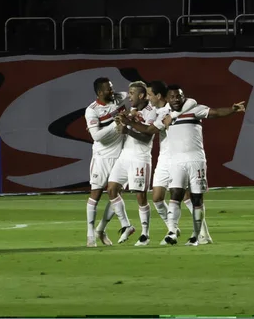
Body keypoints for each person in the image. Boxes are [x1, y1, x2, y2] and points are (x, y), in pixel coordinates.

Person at [118, 80, 213, 246]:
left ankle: (201, 233)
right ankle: (173, 230)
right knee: (157, 198)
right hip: (163, 158)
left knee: (185, 196)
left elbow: (150, 130)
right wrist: (132, 114)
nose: (148, 98)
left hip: (175, 157)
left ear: (158, 96)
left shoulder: (171, 110)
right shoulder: (158, 110)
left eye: (149, 94)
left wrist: (130, 123)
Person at [161, 84, 246, 246]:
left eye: (179, 96)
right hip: (176, 161)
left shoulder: (195, 109)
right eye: (172, 97)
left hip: (196, 160)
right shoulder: (165, 115)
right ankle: (172, 232)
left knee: (197, 198)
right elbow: (152, 128)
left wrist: (232, 109)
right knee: (175, 195)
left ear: (183, 96)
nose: (176, 99)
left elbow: (215, 113)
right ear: (166, 99)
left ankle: (196, 235)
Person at [95, 81, 158, 246]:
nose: (129, 97)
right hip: (125, 155)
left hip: (140, 157)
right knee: (112, 189)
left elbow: (147, 137)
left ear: (141, 95)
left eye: (131, 93)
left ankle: (145, 234)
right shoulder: (133, 111)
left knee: (140, 196)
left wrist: (128, 128)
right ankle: (126, 225)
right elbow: (125, 127)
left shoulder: (152, 112)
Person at [84, 77, 130, 247]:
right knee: (95, 194)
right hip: (102, 157)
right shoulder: (92, 110)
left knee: (116, 195)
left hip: (121, 156)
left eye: (112, 87)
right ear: (99, 92)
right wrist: (115, 123)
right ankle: (90, 234)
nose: (112, 90)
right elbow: (97, 137)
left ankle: (101, 229)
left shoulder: (118, 98)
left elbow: (129, 92)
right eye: (108, 89)